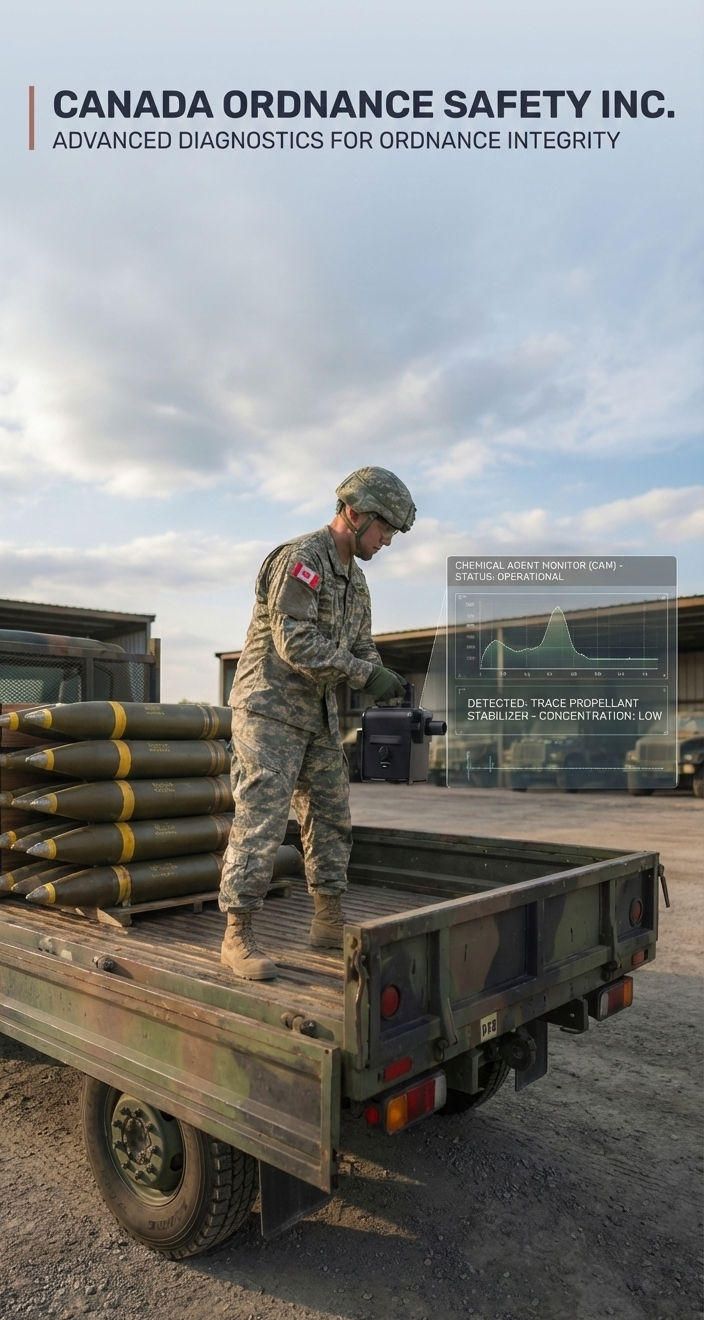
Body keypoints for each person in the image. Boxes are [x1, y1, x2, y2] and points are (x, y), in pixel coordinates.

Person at [219, 466, 416, 980]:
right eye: (384, 530)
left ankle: (328, 919)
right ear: (355, 514)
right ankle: (237, 935)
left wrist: (381, 676)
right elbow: (295, 642)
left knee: (331, 816)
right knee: (261, 820)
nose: (387, 541)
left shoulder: (359, 583)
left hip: (318, 715)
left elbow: (362, 646)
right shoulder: (302, 560)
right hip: (269, 710)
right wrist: (363, 674)